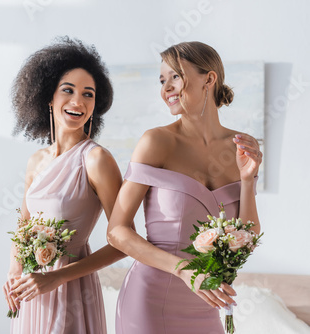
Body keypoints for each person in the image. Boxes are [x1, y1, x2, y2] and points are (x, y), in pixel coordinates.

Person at [107, 41, 262, 334]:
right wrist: (185, 271)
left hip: (206, 303)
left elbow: (248, 236)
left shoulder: (241, 147)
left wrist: (247, 179)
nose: (166, 88)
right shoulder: (156, 142)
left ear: (209, 79)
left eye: (175, 76)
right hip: (150, 301)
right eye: (162, 80)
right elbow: (117, 231)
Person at [3, 37, 126, 334]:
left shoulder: (97, 159)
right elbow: (24, 227)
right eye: (67, 90)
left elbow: (123, 242)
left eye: (88, 94)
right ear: (49, 97)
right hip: (31, 290)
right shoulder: (36, 161)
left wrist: (56, 278)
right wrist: (14, 272)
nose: (78, 102)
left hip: (73, 291)